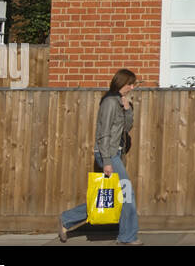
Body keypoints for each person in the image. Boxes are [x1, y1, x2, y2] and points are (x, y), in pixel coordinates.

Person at [58, 68, 141, 245]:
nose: (132, 87)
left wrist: (127, 110)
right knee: (127, 194)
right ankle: (127, 237)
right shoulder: (110, 103)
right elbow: (103, 134)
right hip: (108, 154)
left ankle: (67, 219)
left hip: (114, 153)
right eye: (130, 84)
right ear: (122, 83)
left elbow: (126, 128)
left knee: (109, 196)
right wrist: (107, 162)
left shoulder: (120, 102)